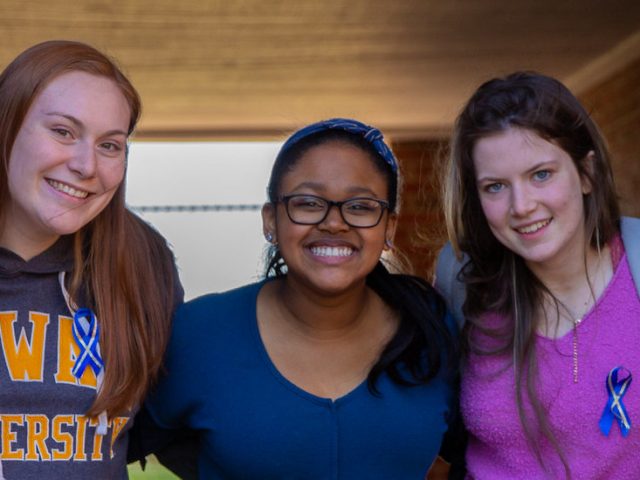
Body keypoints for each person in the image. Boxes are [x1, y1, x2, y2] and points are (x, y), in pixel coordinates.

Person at [140, 118, 459, 479]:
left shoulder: (431, 329)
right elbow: (124, 441)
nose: (334, 223)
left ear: (389, 229)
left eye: (360, 206)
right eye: (308, 203)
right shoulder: (198, 334)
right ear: (271, 221)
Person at [436, 71, 640, 479]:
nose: (522, 205)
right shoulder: (460, 277)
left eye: (541, 175)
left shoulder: (637, 264)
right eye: (495, 186)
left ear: (586, 173)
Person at [0, 40, 182, 478]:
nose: (86, 165)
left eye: (110, 145)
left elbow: (174, 421)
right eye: (62, 131)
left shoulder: (141, 262)